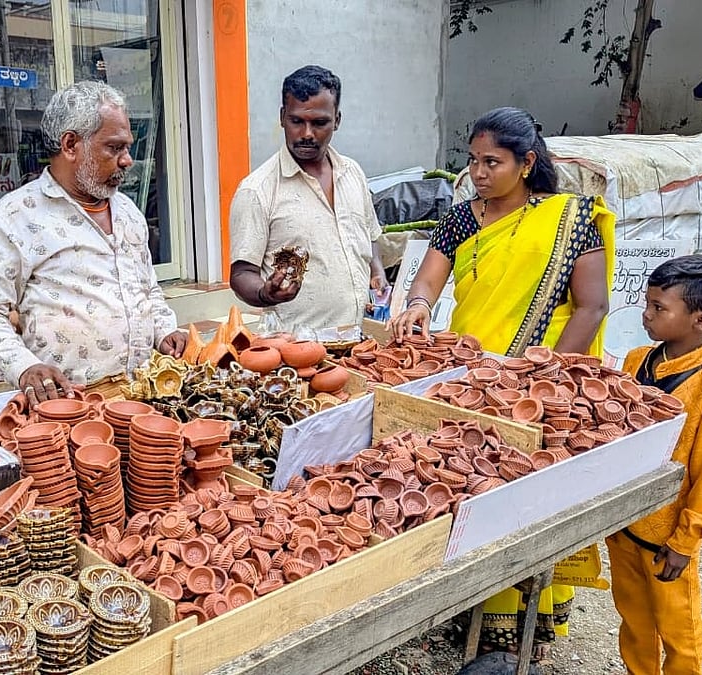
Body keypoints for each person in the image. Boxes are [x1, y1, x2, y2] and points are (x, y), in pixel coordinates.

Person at [389, 107, 617, 659]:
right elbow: (428, 277)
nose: (479, 172)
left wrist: (543, 376)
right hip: (473, 380)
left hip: (543, 381)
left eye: (493, 162)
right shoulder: (464, 217)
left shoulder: (570, 218)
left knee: (535, 498)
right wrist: (418, 305)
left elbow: (592, 306)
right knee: (477, 487)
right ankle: (477, 614)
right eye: (473, 161)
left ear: (526, 163)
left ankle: (529, 628)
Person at [0, 81, 186, 407]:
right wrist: (24, 368)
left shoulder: (128, 212)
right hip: (68, 409)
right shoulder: (13, 217)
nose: (127, 160)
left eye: (127, 148)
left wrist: (166, 331)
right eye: (114, 148)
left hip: (144, 398)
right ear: (70, 145)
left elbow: (148, 290)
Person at [608, 256, 702, 675]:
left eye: (659, 308)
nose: (646, 316)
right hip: (625, 525)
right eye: (647, 305)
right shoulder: (635, 362)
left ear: (701, 320)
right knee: (634, 621)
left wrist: (686, 541)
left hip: (667, 538)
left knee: (678, 633)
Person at [228, 65, 387, 333]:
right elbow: (242, 273)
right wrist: (266, 293)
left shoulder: (353, 174)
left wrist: (377, 272)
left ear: (337, 120)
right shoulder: (257, 191)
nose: (307, 134)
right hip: (297, 352)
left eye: (320, 123)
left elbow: (369, 237)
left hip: (358, 341)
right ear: (282, 117)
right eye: (297, 121)